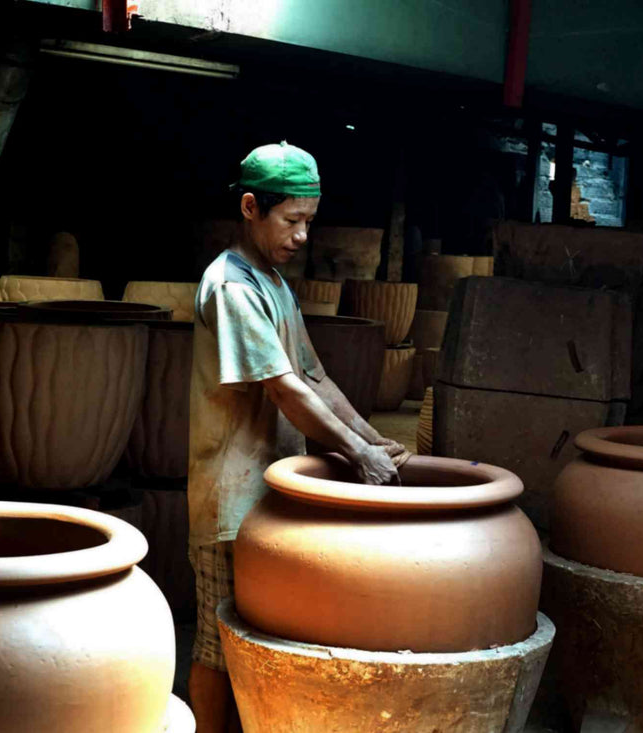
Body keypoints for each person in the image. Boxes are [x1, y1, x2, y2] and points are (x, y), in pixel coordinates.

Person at [186, 141, 406, 733]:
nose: (303, 235)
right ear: (252, 207)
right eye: (292, 220)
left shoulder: (275, 283)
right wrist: (355, 455)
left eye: (310, 220)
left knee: (261, 641)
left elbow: (316, 376)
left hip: (272, 497)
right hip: (229, 501)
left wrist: (372, 439)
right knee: (216, 642)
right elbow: (285, 390)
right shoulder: (233, 285)